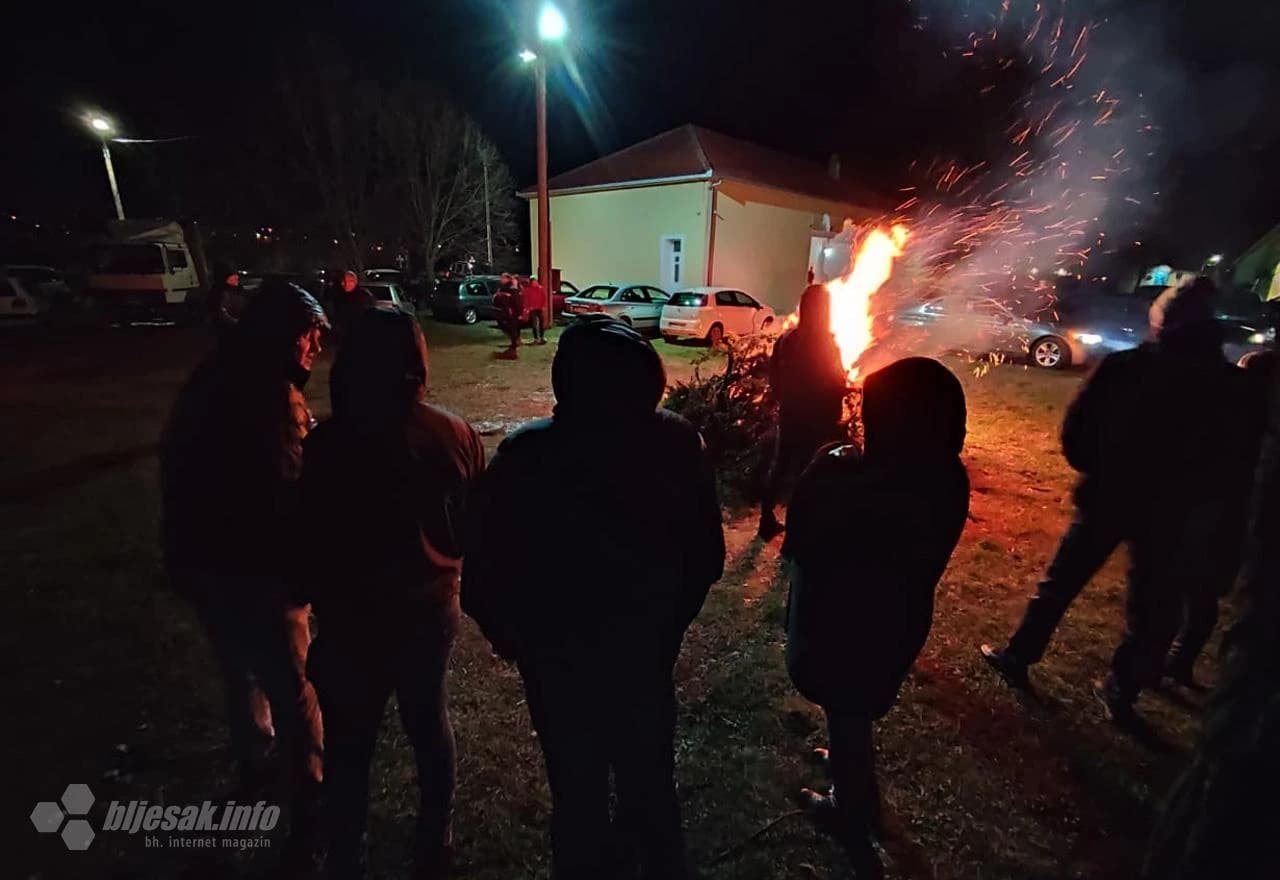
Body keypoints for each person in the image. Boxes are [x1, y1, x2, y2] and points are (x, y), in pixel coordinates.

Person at [462, 316, 725, 880]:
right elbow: (706, 560)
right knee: (637, 789)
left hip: (577, 663)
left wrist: (520, 642)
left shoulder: (528, 456)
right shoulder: (672, 445)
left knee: (592, 792)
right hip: (621, 658)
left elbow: (480, 580)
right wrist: (666, 628)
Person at [981, 279, 1248, 723]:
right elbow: (1233, 455)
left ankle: (1020, 655)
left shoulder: (1129, 367)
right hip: (1175, 510)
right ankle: (1122, 688)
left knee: (1062, 581)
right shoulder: (1225, 383)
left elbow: (1078, 429)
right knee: (1153, 606)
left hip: (1112, 495)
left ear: (1162, 319)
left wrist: (1095, 466)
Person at [299, 308, 485, 879]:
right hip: (430, 608)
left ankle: (347, 849)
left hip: (354, 618)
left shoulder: (330, 442)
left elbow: (309, 535)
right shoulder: (453, 434)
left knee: (352, 742)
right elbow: (473, 528)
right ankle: (436, 838)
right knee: (428, 722)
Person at [159, 280, 328, 857]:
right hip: (256, 568)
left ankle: (256, 763)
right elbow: (289, 491)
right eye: (309, 336)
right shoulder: (272, 398)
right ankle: (309, 796)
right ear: (284, 335)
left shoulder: (212, 376)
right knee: (292, 684)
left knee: (240, 673)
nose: (315, 348)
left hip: (205, 563)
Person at [783, 357, 969, 878]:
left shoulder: (853, 481)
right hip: (899, 621)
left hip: (843, 627)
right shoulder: (945, 476)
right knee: (854, 709)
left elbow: (803, 537)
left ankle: (849, 807)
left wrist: (826, 463)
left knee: (847, 709)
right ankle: (851, 770)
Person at [759, 284, 848, 540]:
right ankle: (796, 532)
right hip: (816, 415)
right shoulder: (825, 343)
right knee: (806, 472)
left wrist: (781, 397)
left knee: (781, 464)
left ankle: (766, 519)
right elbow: (834, 378)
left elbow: (774, 374)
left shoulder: (787, 339)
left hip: (791, 411)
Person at [329, 269, 376, 346]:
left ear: (354, 282)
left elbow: (371, 314)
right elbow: (337, 316)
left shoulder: (364, 295)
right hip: (343, 336)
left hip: (360, 334)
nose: (344, 284)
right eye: (343, 281)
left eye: (349, 281)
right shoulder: (339, 296)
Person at [492, 272, 524, 357]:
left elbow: (517, 301)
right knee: (507, 328)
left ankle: (513, 349)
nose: (500, 280)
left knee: (512, 329)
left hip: (511, 313)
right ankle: (513, 345)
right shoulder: (503, 288)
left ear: (507, 279)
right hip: (504, 312)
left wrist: (519, 313)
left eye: (503, 278)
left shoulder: (512, 288)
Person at [522, 275, 549, 345]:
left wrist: (543, 306)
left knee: (541, 323)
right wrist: (527, 308)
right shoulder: (528, 290)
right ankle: (536, 338)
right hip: (532, 309)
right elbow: (526, 300)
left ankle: (542, 337)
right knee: (534, 324)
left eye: (535, 281)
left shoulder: (540, 288)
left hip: (539, 308)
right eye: (533, 281)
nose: (534, 283)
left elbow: (543, 298)